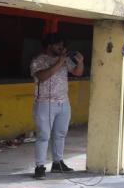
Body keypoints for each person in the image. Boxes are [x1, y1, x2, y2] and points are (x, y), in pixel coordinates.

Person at [29, 32, 84, 179]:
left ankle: (57, 163)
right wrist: (59, 62)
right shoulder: (39, 60)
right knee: (43, 135)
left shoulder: (64, 60)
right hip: (45, 102)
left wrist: (80, 62)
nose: (61, 47)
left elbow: (78, 73)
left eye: (62, 45)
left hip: (63, 101)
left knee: (60, 134)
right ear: (49, 45)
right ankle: (40, 166)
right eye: (58, 44)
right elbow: (41, 77)